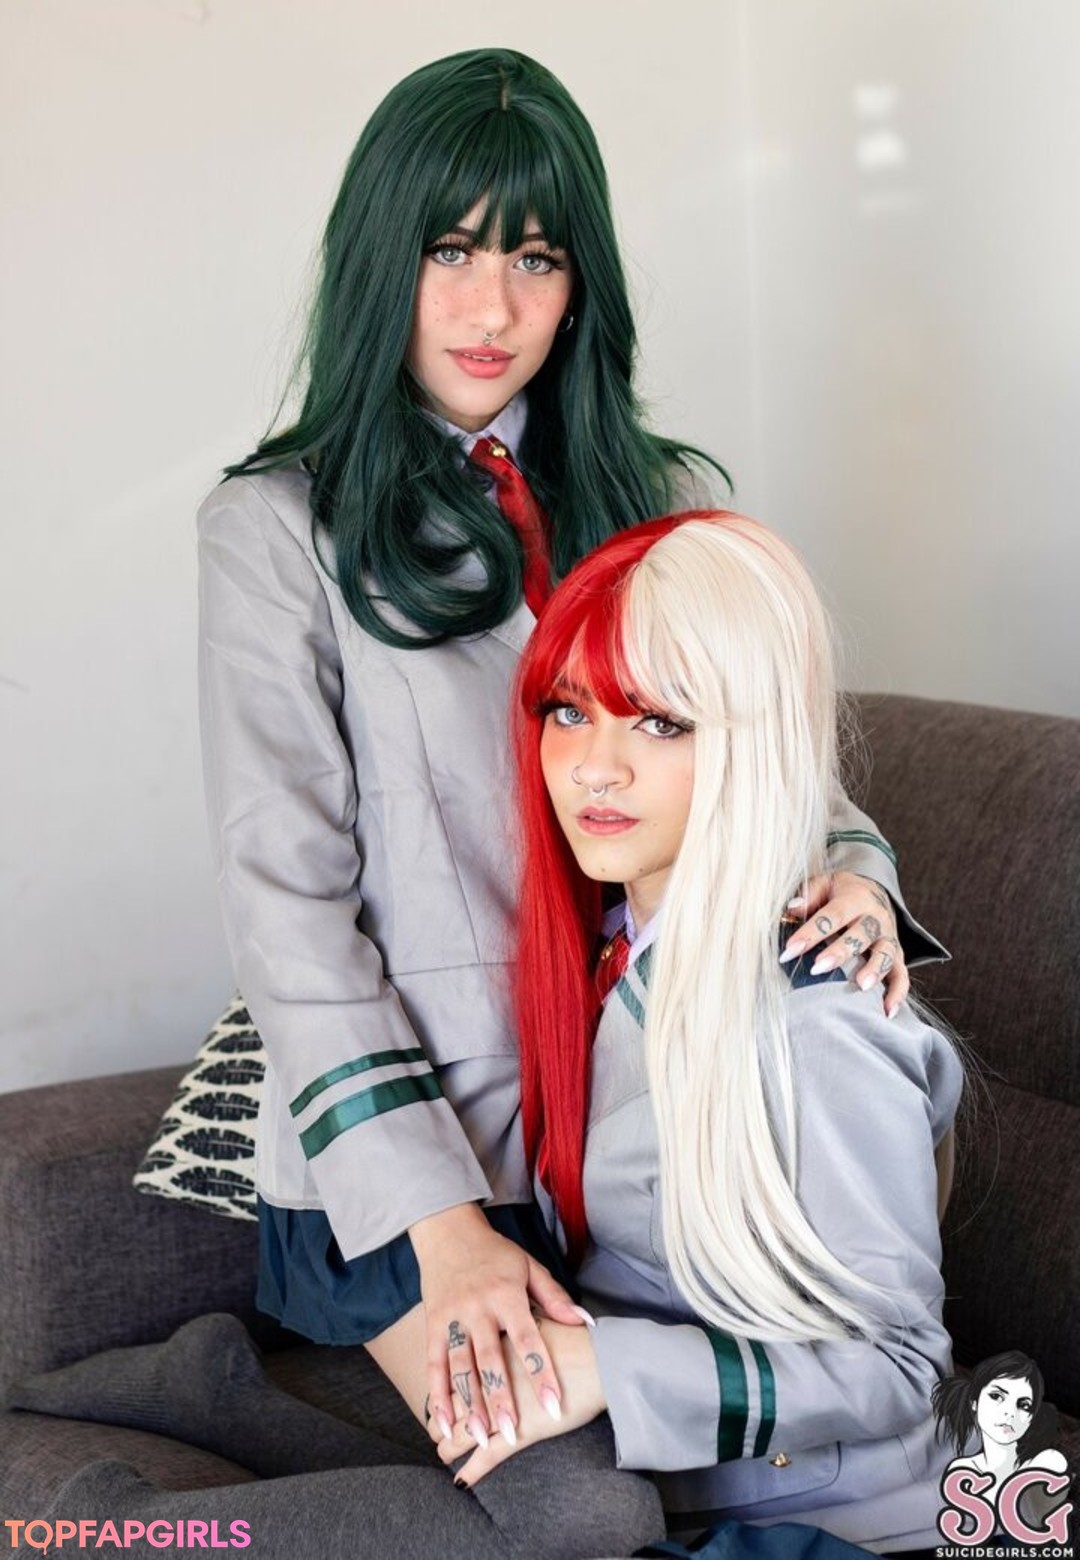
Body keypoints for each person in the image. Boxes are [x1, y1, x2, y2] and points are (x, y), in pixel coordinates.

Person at [197, 46, 936, 1458]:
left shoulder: (662, 497)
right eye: (450, 251)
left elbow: (775, 764)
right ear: (380, 260)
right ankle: (178, 1397)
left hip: (635, 1139)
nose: (493, 309)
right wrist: (445, 1227)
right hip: (421, 1169)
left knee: (676, 1464)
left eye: (535, 258)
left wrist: (858, 873)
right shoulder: (278, 531)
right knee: (581, 1500)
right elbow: (286, 905)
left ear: (580, 279)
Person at [428, 511, 964, 1554]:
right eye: (569, 711)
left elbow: (902, 1366)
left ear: (751, 741)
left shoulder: (818, 1013)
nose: (595, 768)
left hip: (819, 1520)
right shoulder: (614, 945)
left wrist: (604, 1367)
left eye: (661, 723)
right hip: (627, 1473)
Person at [933, 1352, 1069, 1519]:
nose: (1009, 1412)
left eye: (1024, 1405)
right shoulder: (958, 1466)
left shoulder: (1048, 1464)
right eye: (996, 1396)